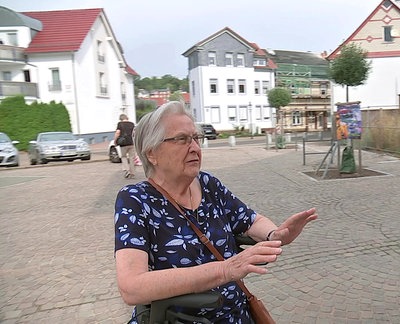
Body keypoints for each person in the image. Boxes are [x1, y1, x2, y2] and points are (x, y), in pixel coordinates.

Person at [114, 101, 318, 323]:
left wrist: (275, 235)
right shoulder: (136, 199)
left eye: (195, 138)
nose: (194, 148)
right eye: (182, 139)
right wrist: (225, 270)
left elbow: (250, 219)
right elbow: (132, 287)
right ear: (152, 153)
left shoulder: (207, 184)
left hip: (236, 316)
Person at [114, 113, 136, 179]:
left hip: (123, 143)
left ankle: (127, 170)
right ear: (127, 117)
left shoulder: (120, 124)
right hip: (131, 143)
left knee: (123, 157)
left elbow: (117, 133)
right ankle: (132, 172)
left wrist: (115, 141)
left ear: (121, 119)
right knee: (132, 158)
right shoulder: (132, 124)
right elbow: (134, 133)